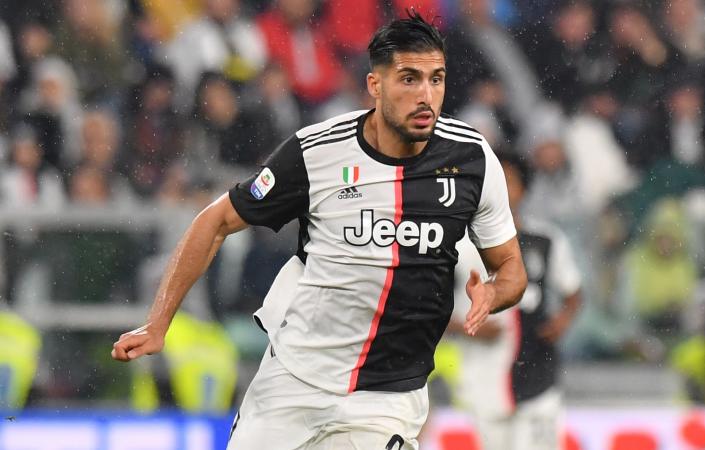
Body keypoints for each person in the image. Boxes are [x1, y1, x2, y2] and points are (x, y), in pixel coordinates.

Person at [111, 11, 527, 449]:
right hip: (295, 380)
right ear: (375, 85)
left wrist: (493, 294)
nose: (426, 95)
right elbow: (215, 220)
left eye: (436, 79)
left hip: (387, 397)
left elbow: (511, 268)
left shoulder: (472, 160)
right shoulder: (317, 151)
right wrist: (157, 323)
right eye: (409, 79)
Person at [449, 153, 581, 450]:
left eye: (509, 181)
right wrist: (465, 327)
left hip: (537, 368)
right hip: (483, 374)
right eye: (494, 181)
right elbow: (430, 307)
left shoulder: (546, 240)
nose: (501, 189)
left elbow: (573, 292)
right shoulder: (459, 244)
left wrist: (562, 320)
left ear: (525, 188)